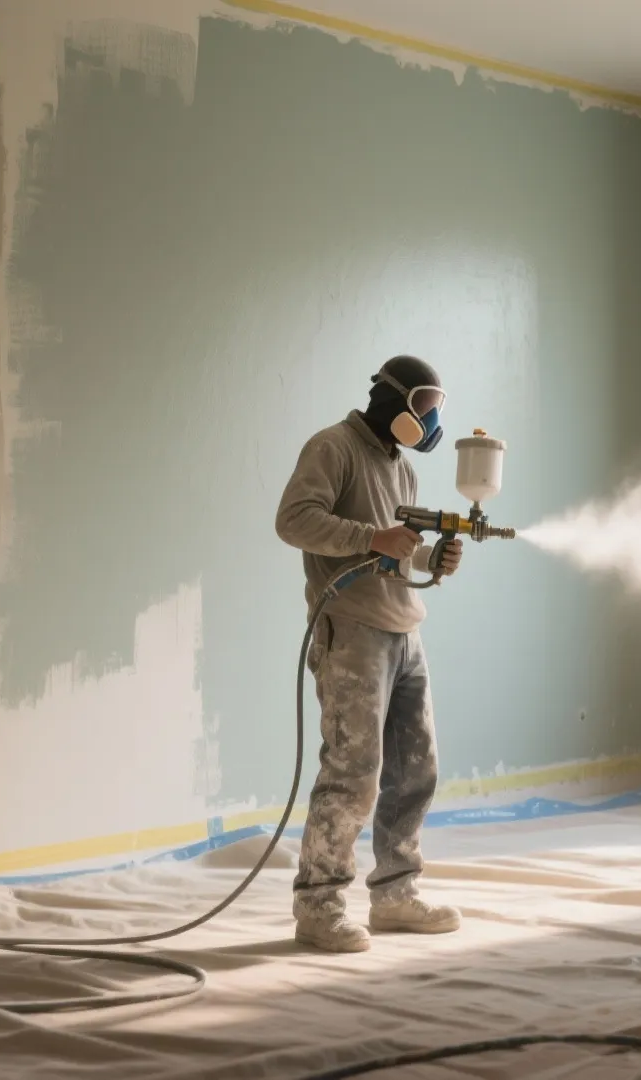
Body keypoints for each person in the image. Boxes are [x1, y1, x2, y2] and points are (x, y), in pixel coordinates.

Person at [274, 355, 465, 953]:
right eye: (425, 407)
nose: (431, 421)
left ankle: (396, 893)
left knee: (415, 771)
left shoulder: (401, 469)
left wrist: (433, 562)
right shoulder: (333, 447)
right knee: (353, 774)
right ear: (395, 400)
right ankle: (319, 905)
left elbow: (395, 553)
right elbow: (294, 520)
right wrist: (370, 538)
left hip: (405, 632)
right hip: (351, 632)